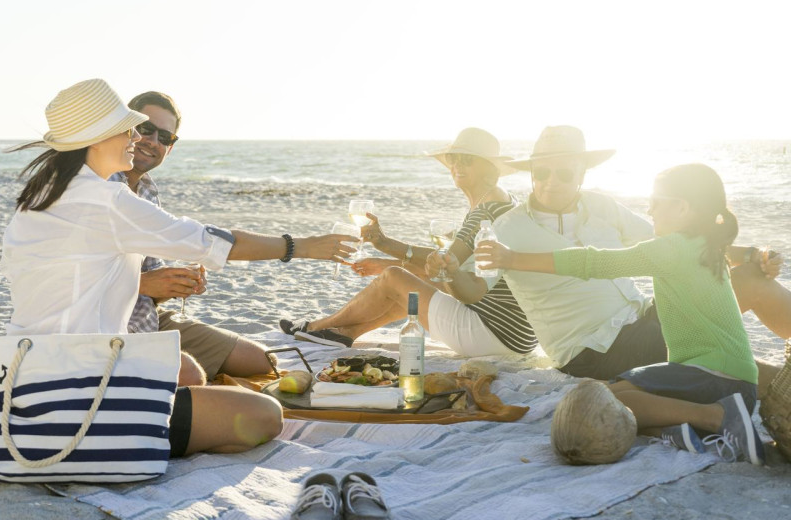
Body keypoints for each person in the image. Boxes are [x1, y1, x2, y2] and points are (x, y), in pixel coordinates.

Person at [1, 79, 356, 458]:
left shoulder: (44, 193)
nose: (136, 136)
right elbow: (214, 241)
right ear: (97, 137)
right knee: (264, 415)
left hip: (32, 368)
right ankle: (126, 435)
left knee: (188, 375)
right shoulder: (106, 201)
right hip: (79, 387)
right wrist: (298, 246)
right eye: (129, 127)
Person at [439, 125, 785, 397]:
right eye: (541, 173)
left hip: (644, 316)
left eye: (563, 173)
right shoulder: (507, 228)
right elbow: (474, 291)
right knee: (717, 358)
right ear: (532, 175)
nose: (550, 182)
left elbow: (678, 247)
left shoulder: (602, 206)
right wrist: (451, 273)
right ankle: (779, 391)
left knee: (752, 279)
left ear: (582, 175)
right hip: (595, 349)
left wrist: (750, 255)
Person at [476, 163, 765, 464]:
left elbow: (595, 264)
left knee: (611, 399)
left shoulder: (672, 248)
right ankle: (679, 428)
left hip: (717, 380)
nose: (650, 210)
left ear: (682, 208)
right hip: (727, 381)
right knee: (613, 393)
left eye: (655, 202)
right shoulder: (705, 244)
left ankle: (716, 418)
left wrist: (512, 258)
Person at [280, 127, 538, 357]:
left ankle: (315, 327)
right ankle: (344, 334)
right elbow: (451, 265)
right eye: (453, 159)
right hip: (518, 334)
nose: (457, 165)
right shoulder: (502, 201)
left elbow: (449, 261)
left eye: (467, 160)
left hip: (493, 333)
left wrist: (386, 248)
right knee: (409, 281)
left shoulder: (487, 209)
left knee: (394, 278)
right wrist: (387, 252)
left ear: (488, 167)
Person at [108, 91, 281, 386]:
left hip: (148, 318)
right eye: (146, 129)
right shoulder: (98, 187)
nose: (153, 141)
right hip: (109, 326)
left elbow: (152, 285)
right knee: (194, 376)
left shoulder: (147, 190)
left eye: (166, 137)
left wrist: (173, 283)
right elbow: (69, 280)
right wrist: (145, 284)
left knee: (263, 362)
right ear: (126, 128)